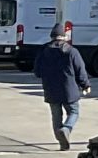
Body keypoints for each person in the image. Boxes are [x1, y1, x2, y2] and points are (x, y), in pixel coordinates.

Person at [33, 20, 92, 149]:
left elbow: (37, 72)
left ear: (51, 36)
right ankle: (66, 129)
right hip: (69, 89)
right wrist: (85, 85)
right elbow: (80, 70)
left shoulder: (43, 50)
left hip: (50, 89)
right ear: (64, 36)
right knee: (74, 112)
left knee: (56, 116)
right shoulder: (71, 51)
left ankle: (62, 143)